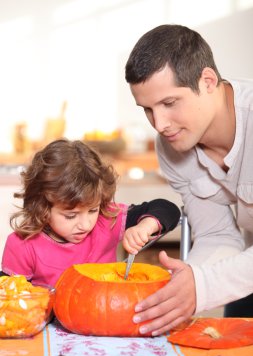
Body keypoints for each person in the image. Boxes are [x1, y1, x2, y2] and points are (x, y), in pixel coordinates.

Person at [125, 24, 253, 336]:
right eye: (148, 110)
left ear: (208, 81)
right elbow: (217, 234)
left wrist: (203, 285)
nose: (160, 124)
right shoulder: (171, 144)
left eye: (169, 103)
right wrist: (186, 282)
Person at [0, 138, 180, 287]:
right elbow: (11, 299)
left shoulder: (107, 220)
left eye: (92, 210)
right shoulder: (23, 245)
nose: (85, 224)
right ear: (42, 207)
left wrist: (145, 226)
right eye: (71, 215)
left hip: (105, 317)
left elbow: (168, 209)